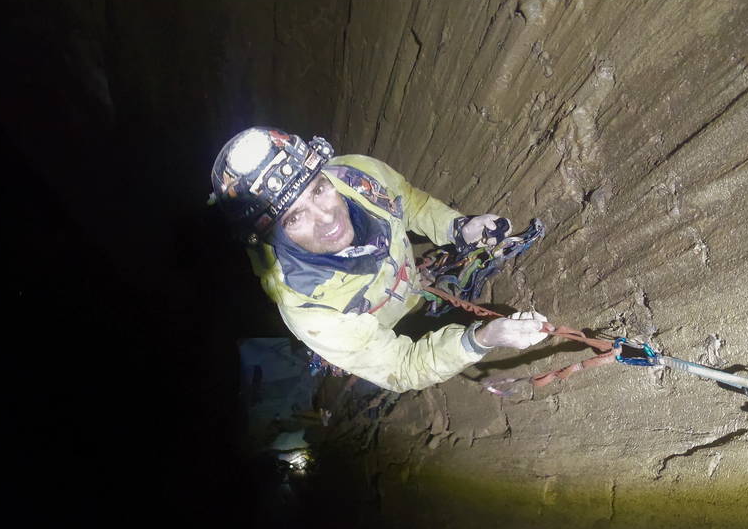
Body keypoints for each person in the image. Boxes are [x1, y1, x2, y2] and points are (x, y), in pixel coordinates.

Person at [209, 127, 550, 393]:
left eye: (318, 190)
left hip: (408, 286)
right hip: (377, 331)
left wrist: (457, 227)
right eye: (294, 219)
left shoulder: (358, 176)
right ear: (270, 236)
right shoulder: (312, 313)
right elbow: (403, 367)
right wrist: (482, 339)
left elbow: (409, 202)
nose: (326, 217)